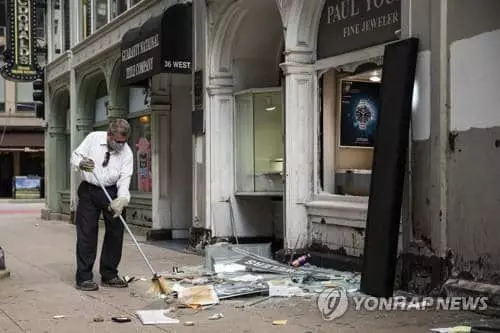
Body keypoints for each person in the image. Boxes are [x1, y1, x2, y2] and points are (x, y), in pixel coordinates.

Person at [70, 119, 134, 291]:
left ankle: (109, 274)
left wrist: (121, 200)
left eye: (124, 141)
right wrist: (81, 164)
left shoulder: (127, 153)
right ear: (109, 134)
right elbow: (75, 156)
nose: (120, 145)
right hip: (89, 190)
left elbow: (125, 178)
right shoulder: (93, 138)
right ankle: (84, 277)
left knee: (116, 232)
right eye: (117, 141)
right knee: (87, 232)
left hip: (112, 191)